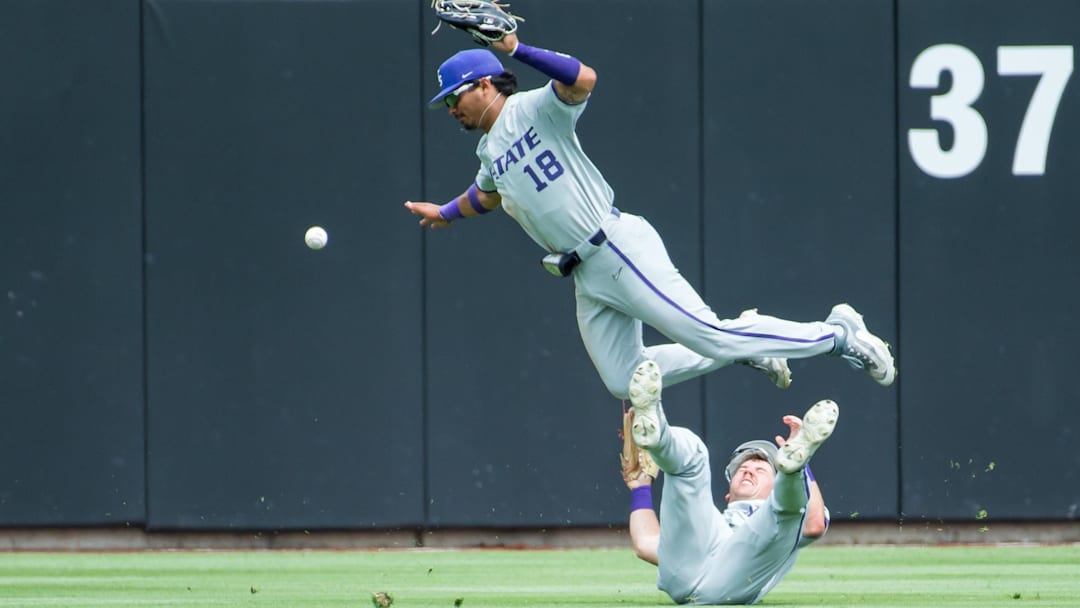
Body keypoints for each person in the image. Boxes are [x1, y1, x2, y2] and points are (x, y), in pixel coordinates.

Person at [404, 26, 897, 399]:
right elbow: (485, 195)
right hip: (584, 276)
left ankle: (836, 335)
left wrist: (516, 50)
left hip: (615, 246)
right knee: (625, 380)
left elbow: (583, 79)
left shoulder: (534, 108)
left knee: (710, 335)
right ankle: (751, 344)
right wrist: (447, 213)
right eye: (447, 102)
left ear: (486, 85)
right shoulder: (488, 152)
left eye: (455, 96)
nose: (451, 108)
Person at [622, 359, 835, 605]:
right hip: (684, 576)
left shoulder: (785, 519)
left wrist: (803, 465)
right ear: (728, 496)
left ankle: (795, 467)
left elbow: (814, 524)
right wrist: (641, 489)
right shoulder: (712, 523)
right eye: (743, 468)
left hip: (732, 583)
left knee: (787, 514)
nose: (748, 470)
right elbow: (644, 543)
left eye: (760, 468)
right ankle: (658, 433)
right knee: (694, 456)